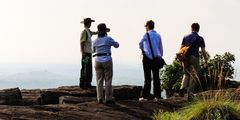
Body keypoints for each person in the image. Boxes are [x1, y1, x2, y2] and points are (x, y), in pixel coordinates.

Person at [178, 23, 208, 100]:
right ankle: (190, 95)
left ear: (191, 28)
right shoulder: (200, 38)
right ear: (198, 29)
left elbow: (181, 49)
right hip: (195, 57)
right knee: (193, 76)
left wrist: (180, 59)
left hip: (185, 58)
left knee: (186, 74)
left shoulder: (185, 37)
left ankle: (182, 88)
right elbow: (203, 51)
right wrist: (205, 61)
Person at [93, 23, 119, 104]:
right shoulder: (108, 39)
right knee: (108, 80)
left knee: (99, 80)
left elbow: (93, 50)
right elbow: (117, 45)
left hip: (97, 60)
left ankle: (99, 98)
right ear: (105, 31)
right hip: (107, 59)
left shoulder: (95, 41)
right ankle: (108, 98)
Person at [139, 20, 164, 101]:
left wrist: (143, 50)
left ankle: (146, 95)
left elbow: (140, 43)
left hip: (147, 58)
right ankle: (158, 95)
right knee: (156, 77)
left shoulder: (146, 34)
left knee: (147, 77)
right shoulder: (158, 35)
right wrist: (160, 56)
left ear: (148, 26)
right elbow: (161, 48)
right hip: (156, 58)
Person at [79, 18, 96, 89]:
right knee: (86, 68)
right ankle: (85, 84)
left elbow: (93, 33)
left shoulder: (88, 31)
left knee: (86, 67)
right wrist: (83, 52)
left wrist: (100, 32)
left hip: (87, 53)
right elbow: (82, 42)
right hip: (86, 54)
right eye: (90, 23)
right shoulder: (85, 32)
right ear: (88, 23)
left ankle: (84, 83)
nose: (91, 24)